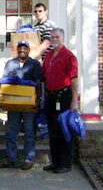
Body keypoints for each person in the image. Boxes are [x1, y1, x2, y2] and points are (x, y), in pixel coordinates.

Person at [0, 40, 42, 170]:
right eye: (20, 48)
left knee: (29, 130)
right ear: (16, 50)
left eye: (25, 48)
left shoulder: (34, 64)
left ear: (29, 50)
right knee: (11, 131)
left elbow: (38, 82)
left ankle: (28, 158)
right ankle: (10, 157)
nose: (22, 50)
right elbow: (4, 81)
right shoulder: (10, 64)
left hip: (29, 104)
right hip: (13, 103)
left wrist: (37, 100)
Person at [41, 28, 78, 174]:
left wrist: (74, 100)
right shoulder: (49, 55)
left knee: (64, 131)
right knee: (53, 131)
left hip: (64, 97)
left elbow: (74, 80)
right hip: (51, 97)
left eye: (57, 37)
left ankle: (66, 164)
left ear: (62, 38)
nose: (55, 39)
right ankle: (55, 162)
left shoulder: (69, 56)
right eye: (52, 37)